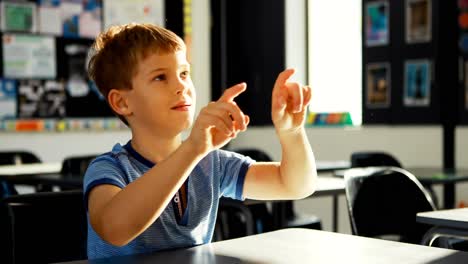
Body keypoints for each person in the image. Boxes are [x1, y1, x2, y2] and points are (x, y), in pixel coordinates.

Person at [84, 23, 317, 259]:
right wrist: (193, 148)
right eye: (160, 77)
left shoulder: (210, 163)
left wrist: (292, 132)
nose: (181, 86)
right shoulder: (109, 169)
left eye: (184, 73)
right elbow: (114, 229)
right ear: (122, 103)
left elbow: (295, 185)